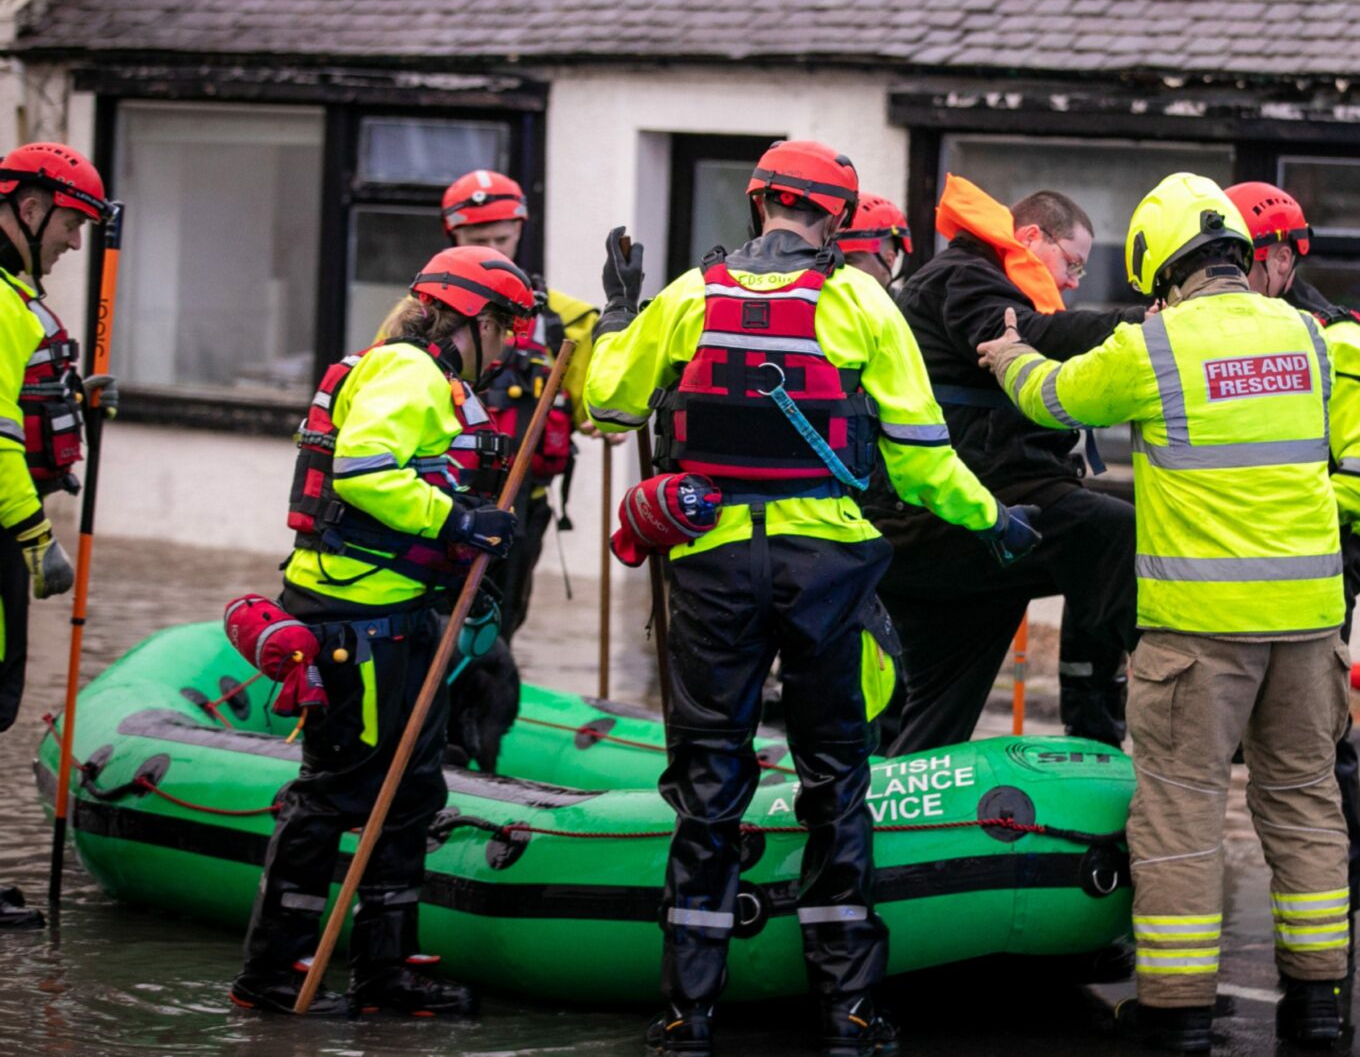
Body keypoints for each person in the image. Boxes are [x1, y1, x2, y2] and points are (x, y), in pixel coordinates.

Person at [583, 140, 1038, 1055]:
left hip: (712, 567)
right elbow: (917, 458)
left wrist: (617, 317)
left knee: (709, 787)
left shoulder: (687, 295)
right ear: (835, 219)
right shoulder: (861, 299)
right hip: (826, 569)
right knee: (837, 779)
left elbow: (608, 407)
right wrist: (994, 517)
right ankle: (850, 1011)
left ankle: (686, 1014)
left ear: (760, 205)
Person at [977, 173, 1356, 1052]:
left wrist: (1005, 356)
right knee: (1303, 802)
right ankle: (1320, 1002)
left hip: (1199, 629)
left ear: (1158, 262)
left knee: (1181, 810)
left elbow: (1055, 397)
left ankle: (1178, 1011)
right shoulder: (1306, 333)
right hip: (1308, 621)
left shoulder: (1157, 345)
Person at [232, 246, 535, 1018]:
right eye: (502, 328)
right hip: (353, 619)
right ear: (468, 319)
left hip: (395, 615)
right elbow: (365, 472)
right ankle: (273, 973)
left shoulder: (427, 377)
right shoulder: (407, 372)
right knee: (335, 794)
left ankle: (386, 972)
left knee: (408, 794)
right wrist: (458, 518)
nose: (505, 349)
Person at [873, 176, 1141, 753]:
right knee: (1115, 535)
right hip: (958, 515)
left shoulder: (978, 282)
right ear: (1030, 236)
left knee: (940, 711)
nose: (1074, 281)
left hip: (948, 527)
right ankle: (1116, 722)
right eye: (1072, 262)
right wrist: (1155, 326)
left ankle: (892, 813)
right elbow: (1032, 338)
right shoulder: (963, 276)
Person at [1228, 181, 1360, 937]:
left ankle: (1338, 901)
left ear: (1277, 260)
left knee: (1314, 732)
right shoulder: (1221, 331)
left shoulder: (1346, 343)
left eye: (1237, 263)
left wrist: (1274, 516)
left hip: (1319, 551)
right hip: (1235, 550)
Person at [426, 170, 598, 771]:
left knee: (500, 628)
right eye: (475, 239)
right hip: (440, 506)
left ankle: (477, 751)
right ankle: (432, 740)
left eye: (501, 240)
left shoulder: (567, 321)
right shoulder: (420, 313)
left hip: (521, 510)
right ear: (450, 234)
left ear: (521, 230)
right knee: (436, 626)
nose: (491, 253)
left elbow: (598, 410)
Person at [0, 142, 116, 933]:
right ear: (29, 207)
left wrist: (73, 394)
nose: (77, 242)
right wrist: (39, 539)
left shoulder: (14, 295)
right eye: (71, 223)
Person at [837, 193, 911, 289]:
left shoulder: (907, 304)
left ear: (888, 260)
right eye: (829, 259)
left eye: (848, 261)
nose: (832, 270)